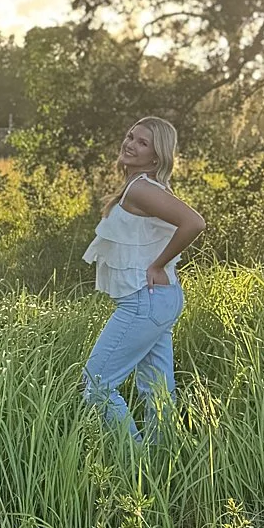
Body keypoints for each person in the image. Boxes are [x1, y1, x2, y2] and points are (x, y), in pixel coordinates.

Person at [81, 117, 205, 443]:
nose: (130, 144)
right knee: (158, 391)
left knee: (97, 384)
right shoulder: (141, 187)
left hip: (144, 300)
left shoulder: (141, 188)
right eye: (130, 136)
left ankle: (133, 461)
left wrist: (158, 264)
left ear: (156, 157)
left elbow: (194, 222)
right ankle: (161, 461)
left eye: (142, 142)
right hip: (159, 300)